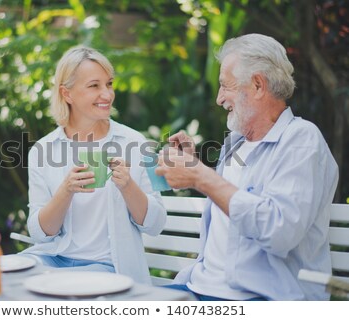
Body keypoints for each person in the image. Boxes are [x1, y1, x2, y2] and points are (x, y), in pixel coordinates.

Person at [156, 33, 339, 300]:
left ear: (257, 85)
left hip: (257, 297)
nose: (219, 98)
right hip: (199, 287)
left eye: (225, 86)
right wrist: (195, 169)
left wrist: (201, 176)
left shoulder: (302, 139)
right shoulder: (237, 144)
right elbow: (233, 204)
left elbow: (280, 233)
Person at [22, 46, 166, 284]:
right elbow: (39, 234)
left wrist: (128, 186)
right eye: (94, 86)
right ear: (66, 94)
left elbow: (157, 224)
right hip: (53, 259)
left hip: (108, 267)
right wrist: (65, 191)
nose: (107, 94)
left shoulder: (138, 142)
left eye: (109, 84)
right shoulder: (42, 149)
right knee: (7, 278)